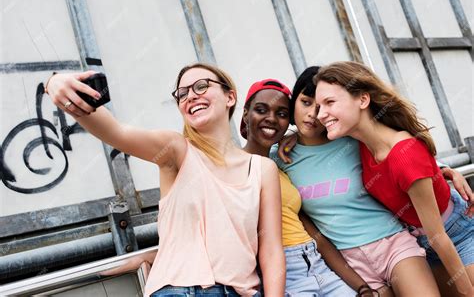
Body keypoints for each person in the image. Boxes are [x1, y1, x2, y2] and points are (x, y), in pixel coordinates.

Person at [44, 63, 285, 296]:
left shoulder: (262, 169)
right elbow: (116, 133)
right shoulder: (175, 150)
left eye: (201, 86)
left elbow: (271, 251)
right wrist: (55, 83)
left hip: (241, 291)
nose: (190, 96)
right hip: (181, 290)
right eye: (182, 94)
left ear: (230, 97)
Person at [273, 66, 440, 296]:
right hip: (347, 262)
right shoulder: (280, 157)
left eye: (322, 106)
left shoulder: (350, 140)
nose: (314, 113)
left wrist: (445, 170)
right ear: (294, 104)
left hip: (391, 242)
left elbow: (398, 152)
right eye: (306, 102)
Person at [314, 61, 474, 297]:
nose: (320, 114)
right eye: (318, 106)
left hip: (453, 236)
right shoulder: (360, 142)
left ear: (363, 100)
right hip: (419, 244)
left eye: (330, 102)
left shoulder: (404, 154)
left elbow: (438, 236)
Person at [240, 78, 374, 296]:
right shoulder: (232, 166)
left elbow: (312, 233)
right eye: (261, 110)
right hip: (283, 273)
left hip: (316, 263)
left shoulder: (280, 166)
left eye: (282, 114)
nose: (272, 119)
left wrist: (362, 287)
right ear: (245, 114)